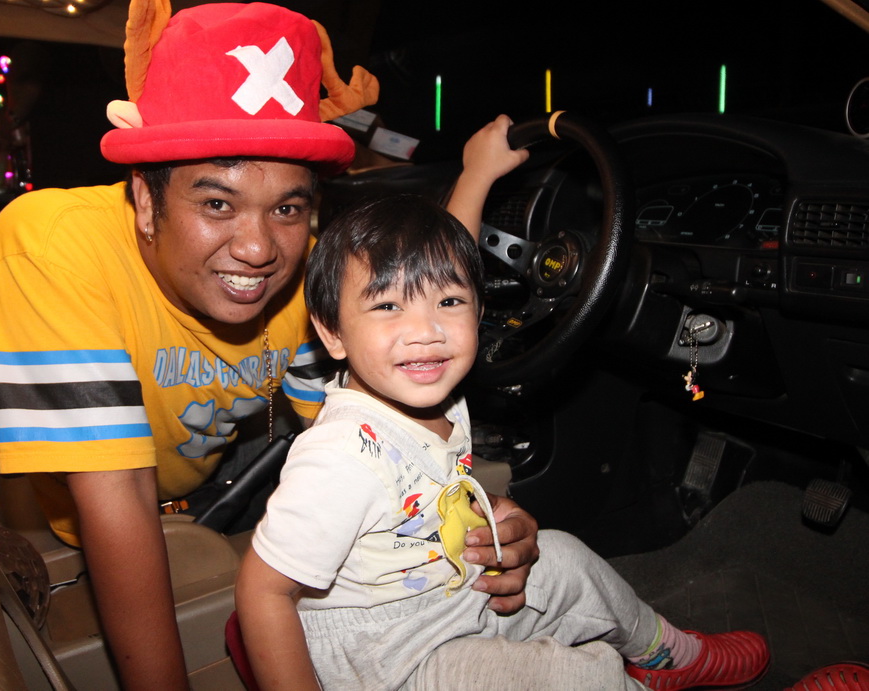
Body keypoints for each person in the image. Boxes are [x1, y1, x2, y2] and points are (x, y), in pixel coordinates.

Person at [0, 2, 538, 689]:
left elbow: (406, 342)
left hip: (231, 464)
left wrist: (478, 515)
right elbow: (117, 489)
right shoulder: (53, 243)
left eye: (287, 207)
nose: (257, 248)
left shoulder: (305, 269)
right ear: (146, 201)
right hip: (112, 503)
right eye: (217, 203)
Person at [234, 193, 772, 690]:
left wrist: (488, 510)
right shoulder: (339, 455)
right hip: (389, 660)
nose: (426, 330)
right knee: (576, 677)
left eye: (449, 301)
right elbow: (263, 591)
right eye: (387, 306)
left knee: (563, 558)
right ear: (332, 332)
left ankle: (665, 656)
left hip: (442, 599)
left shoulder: (437, 398)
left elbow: (413, 495)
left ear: (479, 312)